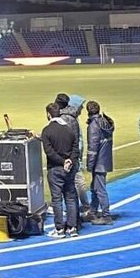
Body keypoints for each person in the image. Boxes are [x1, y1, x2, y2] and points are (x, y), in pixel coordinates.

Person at [41, 102, 80, 238]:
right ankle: (72, 227)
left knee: (57, 200)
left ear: (48, 114)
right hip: (69, 168)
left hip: (55, 168)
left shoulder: (47, 131)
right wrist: (70, 161)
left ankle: (59, 229)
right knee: (70, 198)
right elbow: (76, 148)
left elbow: (49, 152)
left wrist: (63, 161)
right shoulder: (69, 129)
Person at [56, 93, 90, 220]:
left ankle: (79, 207)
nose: (82, 109)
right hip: (72, 158)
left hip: (72, 157)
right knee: (78, 182)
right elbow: (75, 141)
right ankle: (85, 207)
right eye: (80, 106)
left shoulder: (70, 118)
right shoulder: (70, 119)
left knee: (74, 183)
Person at [86, 100, 115, 225]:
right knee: (95, 187)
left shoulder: (93, 125)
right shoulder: (105, 122)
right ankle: (93, 211)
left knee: (100, 189)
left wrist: (90, 165)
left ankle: (106, 215)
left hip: (99, 162)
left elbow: (92, 148)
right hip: (105, 159)